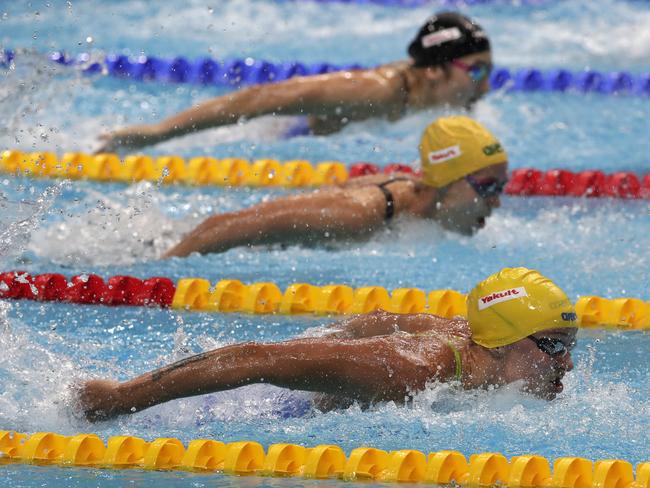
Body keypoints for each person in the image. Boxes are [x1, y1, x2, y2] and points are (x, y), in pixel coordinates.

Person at [76, 267, 578, 421]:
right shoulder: (413, 370)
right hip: (268, 413)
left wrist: (327, 340)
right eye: (554, 348)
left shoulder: (473, 339)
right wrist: (120, 398)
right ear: (504, 341)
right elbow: (256, 360)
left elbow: (380, 318)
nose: (568, 364)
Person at [95, 12, 493, 152]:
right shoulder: (375, 89)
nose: (485, 88)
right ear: (435, 69)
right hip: (282, 138)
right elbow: (260, 98)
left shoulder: (436, 93)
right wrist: (157, 133)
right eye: (476, 72)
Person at [162, 115, 508, 257]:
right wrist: (160, 266)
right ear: (446, 182)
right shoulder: (358, 214)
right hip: (177, 242)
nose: (495, 204)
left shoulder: (415, 206)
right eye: (487, 188)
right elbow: (220, 228)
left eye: (500, 188)